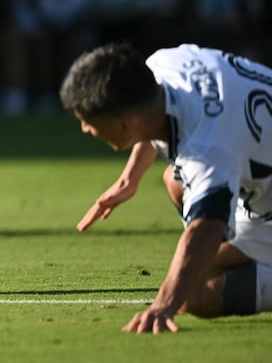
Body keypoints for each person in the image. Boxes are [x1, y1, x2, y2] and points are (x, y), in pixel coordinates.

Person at [61, 41, 272, 333]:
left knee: (194, 294)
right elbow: (151, 124)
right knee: (176, 180)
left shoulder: (206, 147)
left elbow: (206, 227)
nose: (85, 129)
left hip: (262, 207)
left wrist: (163, 305)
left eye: (87, 121)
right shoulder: (164, 65)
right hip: (258, 191)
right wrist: (129, 179)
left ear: (124, 123)